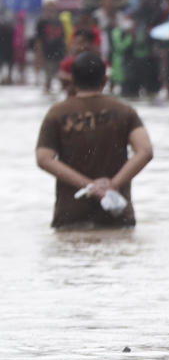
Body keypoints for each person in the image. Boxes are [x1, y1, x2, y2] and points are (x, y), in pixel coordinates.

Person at [35, 52, 154, 228]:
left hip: (71, 215)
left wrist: (89, 186)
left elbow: (43, 159)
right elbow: (145, 152)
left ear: (73, 81)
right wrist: (113, 185)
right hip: (116, 213)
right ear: (105, 80)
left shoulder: (57, 113)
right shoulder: (124, 111)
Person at [34, 0, 67, 93]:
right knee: (48, 80)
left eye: (52, 5)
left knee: (63, 79)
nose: (51, 8)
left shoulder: (59, 21)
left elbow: (63, 38)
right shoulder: (41, 22)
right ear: (45, 7)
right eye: (48, 6)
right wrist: (39, 56)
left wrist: (66, 52)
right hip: (47, 53)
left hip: (59, 53)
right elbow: (38, 40)